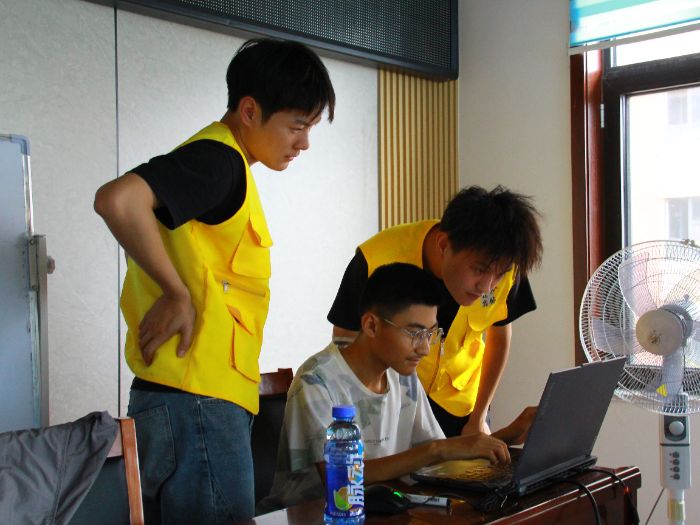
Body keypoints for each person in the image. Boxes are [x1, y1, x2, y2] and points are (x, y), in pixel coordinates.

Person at [94, 38, 335, 524]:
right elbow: (117, 200)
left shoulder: (225, 164)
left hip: (178, 398)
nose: (304, 143)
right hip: (198, 404)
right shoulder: (218, 161)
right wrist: (176, 291)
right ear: (249, 111)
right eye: (296, 126)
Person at [257, 263, 535, 512]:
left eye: (431, 333)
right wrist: (438, 450)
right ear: (371, 325)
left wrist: (508, 435)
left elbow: (443, 460)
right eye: (415, 333)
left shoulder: (402, 376)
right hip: (315, 516)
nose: (424, 348)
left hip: (380, 512)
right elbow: (344, 479)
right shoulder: (316, 382)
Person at [328, 186, 543, 437]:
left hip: (462, 406)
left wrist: (479, 416)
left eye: (499, 274)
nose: (487, 287)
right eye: (479, 270)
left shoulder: (506, 265)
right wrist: (362, 417)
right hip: (392, 405)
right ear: (443, 245)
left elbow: (500, 336)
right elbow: (344, 340)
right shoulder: (375, 259)